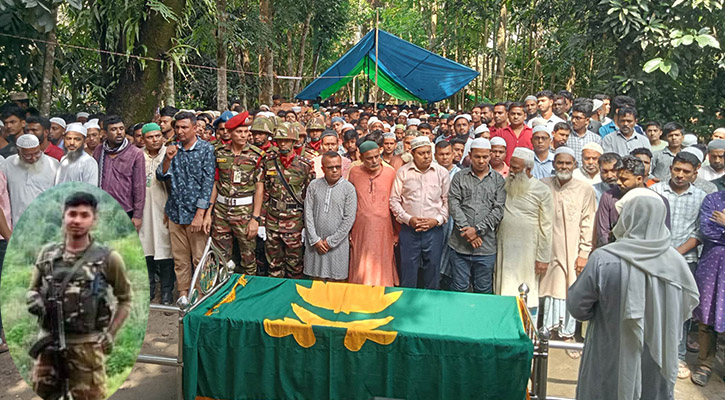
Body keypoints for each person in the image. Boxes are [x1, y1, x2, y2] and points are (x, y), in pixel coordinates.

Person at [567, 196, 699, 400]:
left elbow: (577, 307)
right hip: (657, 359)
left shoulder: (603, 259)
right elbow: (684, 309)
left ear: (627, 218)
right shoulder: (676, 263)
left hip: (608, 348)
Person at [27, 192, 132, 400]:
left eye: (84, 215)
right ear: (63, 216)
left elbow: (125, 299)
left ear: (94, 219)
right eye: (72, 214)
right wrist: (33, 299)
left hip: (87, 348)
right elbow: (33, 289)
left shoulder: (108, 258)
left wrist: (110, 334)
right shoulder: (47, 254)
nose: (77, 220)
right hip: (48, 345)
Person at [650, 151, 707, 379]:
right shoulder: (655, 191)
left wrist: (676, 252)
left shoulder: (701, 197)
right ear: (671, 168)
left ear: (695, 173)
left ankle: (678, 355)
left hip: (685, 262)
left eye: (686, 172)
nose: (680, 175)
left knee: (681, 309)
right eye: (677, 169)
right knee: (653, 306)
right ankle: (651, 352)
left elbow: (699, 232)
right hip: (654, 259)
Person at [156, 111, 215, 303]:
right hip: (175, 212)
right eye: (177, 128)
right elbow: (161, 175)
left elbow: (208, 184)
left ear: (195, 127)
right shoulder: (173, 149)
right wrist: (167, 159)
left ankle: (200, 293)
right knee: (180, 259)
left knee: (200, 258)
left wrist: (200, 213)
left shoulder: (206, 149)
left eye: (184, 127)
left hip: (195, 214)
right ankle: (183, 292)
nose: (180, 131)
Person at [540, 146, 596, 343]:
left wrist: (584, 253)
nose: (563, 166)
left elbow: (588, 222)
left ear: (574, 165)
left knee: (570, 287)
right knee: (550, 289)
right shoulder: (543, 185)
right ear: (554, 164)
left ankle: (567, 334)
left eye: (567, 163)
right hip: (547, 249)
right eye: (560, 162)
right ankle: (549, 331)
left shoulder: (585, 189)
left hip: (572, 250)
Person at [495, 147, 553, 313]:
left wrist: (543, 257)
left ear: (528, 169)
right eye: (511, 167)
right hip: (504, 246)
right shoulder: (506, 185)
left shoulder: (542, 191)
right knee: (503, 287)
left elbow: (546, 227)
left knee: (526, 290)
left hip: (528, 250)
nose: (511, 171)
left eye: (515, 168)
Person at [207, 112, 265, 275]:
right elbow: (215, 183)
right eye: (239, 132)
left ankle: (249, 291)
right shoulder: (218, 152)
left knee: (248, 256)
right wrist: (209, 212)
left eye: (246, 132)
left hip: (244, 212)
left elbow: (259, 188)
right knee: (220, 257)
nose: (244, 135)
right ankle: (222, 290)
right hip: (221, 211)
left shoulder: (256, 155)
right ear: (230, 133)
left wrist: (255, 218)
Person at [390, 136, 450, 289]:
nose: (426, 157)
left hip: (434, 231)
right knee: (408, 272)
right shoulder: (403, 172)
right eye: (421, 153)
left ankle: (431, 307)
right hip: (409, 230)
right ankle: (407, 306)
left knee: (433, 271)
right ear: (412, 153)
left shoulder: (441, 173)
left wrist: (436, 220)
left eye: (428, 153)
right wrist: (409, 219)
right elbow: (394, 200)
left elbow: (447, 202)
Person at [447, 138, 505, 293]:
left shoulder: (498, 180)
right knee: (459, 287)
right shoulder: (459, 177)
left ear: (490, 155)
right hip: (460, 245)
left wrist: (477, 230)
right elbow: (453, 204)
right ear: (470, 155)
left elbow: (498, 210)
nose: (481, 161)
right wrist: (468, 232)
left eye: (485, 157)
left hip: (485, 247)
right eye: (477, 157)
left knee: (484, 289)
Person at [262, 122, 313, 279]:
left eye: (287, 140)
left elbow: (309, 196)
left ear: (294, 141)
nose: (283, 144)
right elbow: (263, 191)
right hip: (273, 218)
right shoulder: (269, 162)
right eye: (279, 141)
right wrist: (261, 219)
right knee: (273, 265)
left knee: (295, 265)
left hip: (294, 220)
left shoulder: (304, 165)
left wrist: (307, 223)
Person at [347, 141, 399, 286]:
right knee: (361, 262)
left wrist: (396, 233)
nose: (374, 161)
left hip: (384, 229)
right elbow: (349, 203)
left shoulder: (390, 173)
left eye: (377, 156)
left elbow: (395, 204)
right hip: (360, 229)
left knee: (383, 261)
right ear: (361, 157)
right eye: (369, 158)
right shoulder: (354, 172)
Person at [303, 152, 357, 281]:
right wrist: (315, 240)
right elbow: (308, 213)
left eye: (337, 167)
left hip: (337, 245)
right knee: (315, 282)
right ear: (322, 169)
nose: (334, 170)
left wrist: (331, 242)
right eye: (330, 167)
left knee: (337, 283)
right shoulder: (314, 185)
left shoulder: (348, 189)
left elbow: (349, 219)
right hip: (315, 244)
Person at [138, 123, 174, 305]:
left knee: (165, 249)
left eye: (158, 136)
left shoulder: (170, 153)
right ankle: (149, 290)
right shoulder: (137, 156)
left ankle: (167, 292)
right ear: (143, 139)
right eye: (150, 137)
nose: (155, 140)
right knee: (145, 250)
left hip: (164, 209)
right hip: (143, 210)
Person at [691, 190, 725, 386]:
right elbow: (707, 230)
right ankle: (705, 364)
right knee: (707, 315)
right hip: (713, 265)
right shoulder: (713, 199)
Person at [93, 115, 145, 231]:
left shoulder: (135, 153)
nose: (119, 132)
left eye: (121, 129)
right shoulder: (99, 150)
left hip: (125, 210)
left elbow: (139, 187)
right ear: (104, 133)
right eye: (113, 129)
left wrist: (137, 216)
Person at [0, 134, 59, 226]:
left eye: (37, 153)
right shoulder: (8, 163)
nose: (34, 158)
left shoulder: (53, 164)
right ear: (19, 152)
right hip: (17, 223)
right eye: (28, 155)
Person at [595, 155, 646, 247]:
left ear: (639, 179)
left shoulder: (656, 201)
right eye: (618, 177)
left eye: (623, 179)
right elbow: (603, 233)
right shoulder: (608, 197)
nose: (618, 182)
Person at [566, 102, 601, 166]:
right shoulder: (566, 137)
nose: (573, 121)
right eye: (572, 117)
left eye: (578, 118)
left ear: (587, 120)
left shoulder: (596, 139)